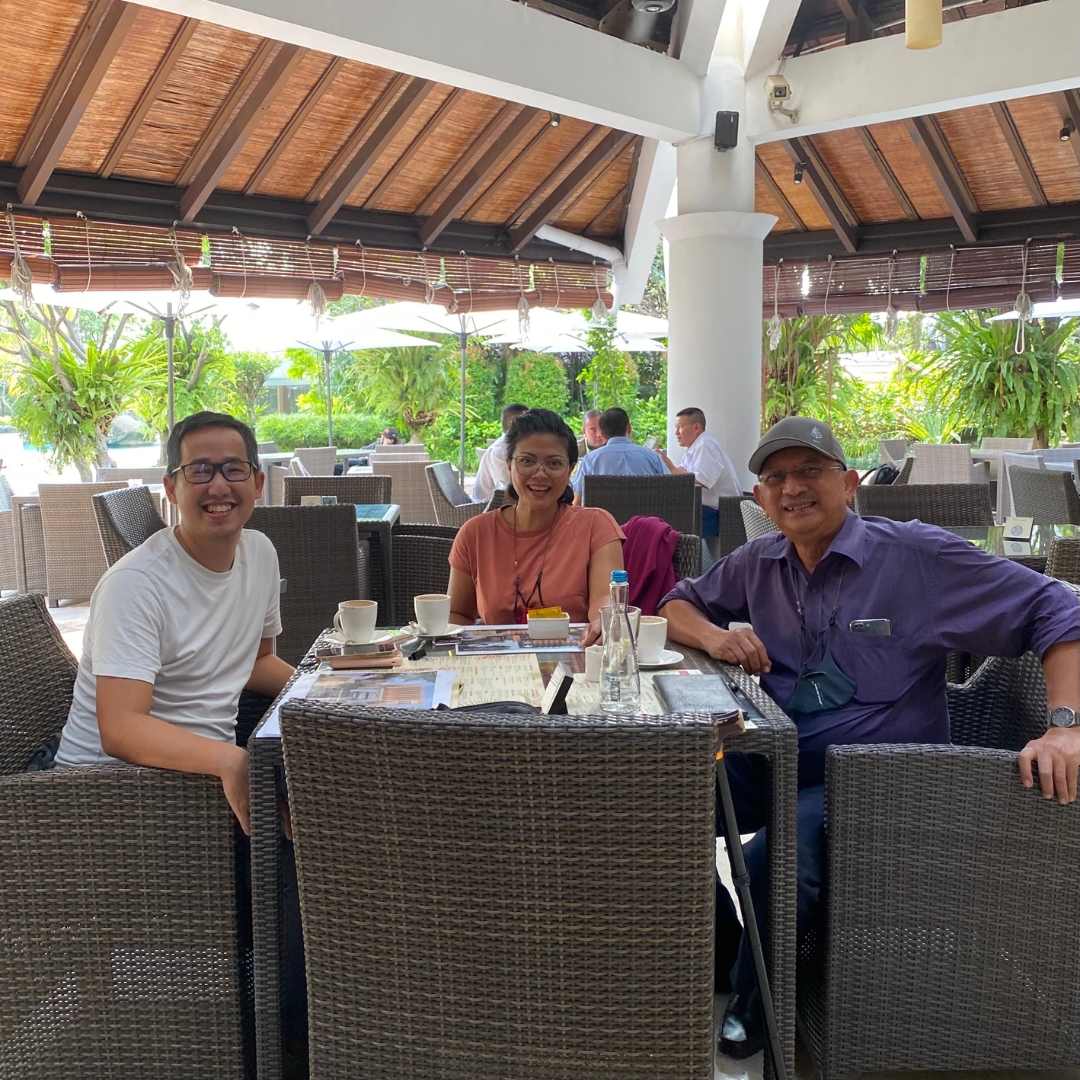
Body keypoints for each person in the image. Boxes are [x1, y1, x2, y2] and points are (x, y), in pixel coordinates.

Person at [659, 416, 1080, 1059]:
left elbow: (1059, 606)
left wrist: (1065, 727)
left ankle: (755, 997)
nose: (792, 488)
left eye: (810, 471)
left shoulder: (915, 557)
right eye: (776, 477)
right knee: (660, 804)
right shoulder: (759, 560)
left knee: (775, 854)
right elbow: (676, 605)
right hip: (774, 752)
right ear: (761, 497)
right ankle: (728, 951)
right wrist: (718, 636)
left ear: (849, 483)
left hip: (873, 779)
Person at [449, 408, 625, 645]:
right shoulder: (476, 534)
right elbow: (457, 613)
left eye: (554, 463)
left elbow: (606, 601)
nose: (540, 474)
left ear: (571, 469)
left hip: (574, 662)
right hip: (499, 663)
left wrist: (605, 621)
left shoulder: (596, 526)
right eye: (527, 461)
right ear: (509, 465)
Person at [658, 407, 740, 538]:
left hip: (720, 513)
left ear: (696, 427)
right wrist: (667, 466)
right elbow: (683, 472)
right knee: (664, 516)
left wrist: (672, 469)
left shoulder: (705, 444)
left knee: (669, 526)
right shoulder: (694, 447)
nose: (676, 432)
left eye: (680, 427)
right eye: (676, 427)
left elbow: (702, 480)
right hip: (707, 509)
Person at [571, 407, 666, 501]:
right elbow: (670, 489)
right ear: (629, 428)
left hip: (603, 511)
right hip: (646, 510)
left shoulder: (590, 460)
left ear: (602, 434)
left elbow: (577, 500)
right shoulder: (652, 457)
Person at [471, 402, 528, 504]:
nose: (531, 425)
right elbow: (506, 490)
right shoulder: (500, 452)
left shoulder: (514, 446)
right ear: (511, 423)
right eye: (528, 421)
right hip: (488, 506)